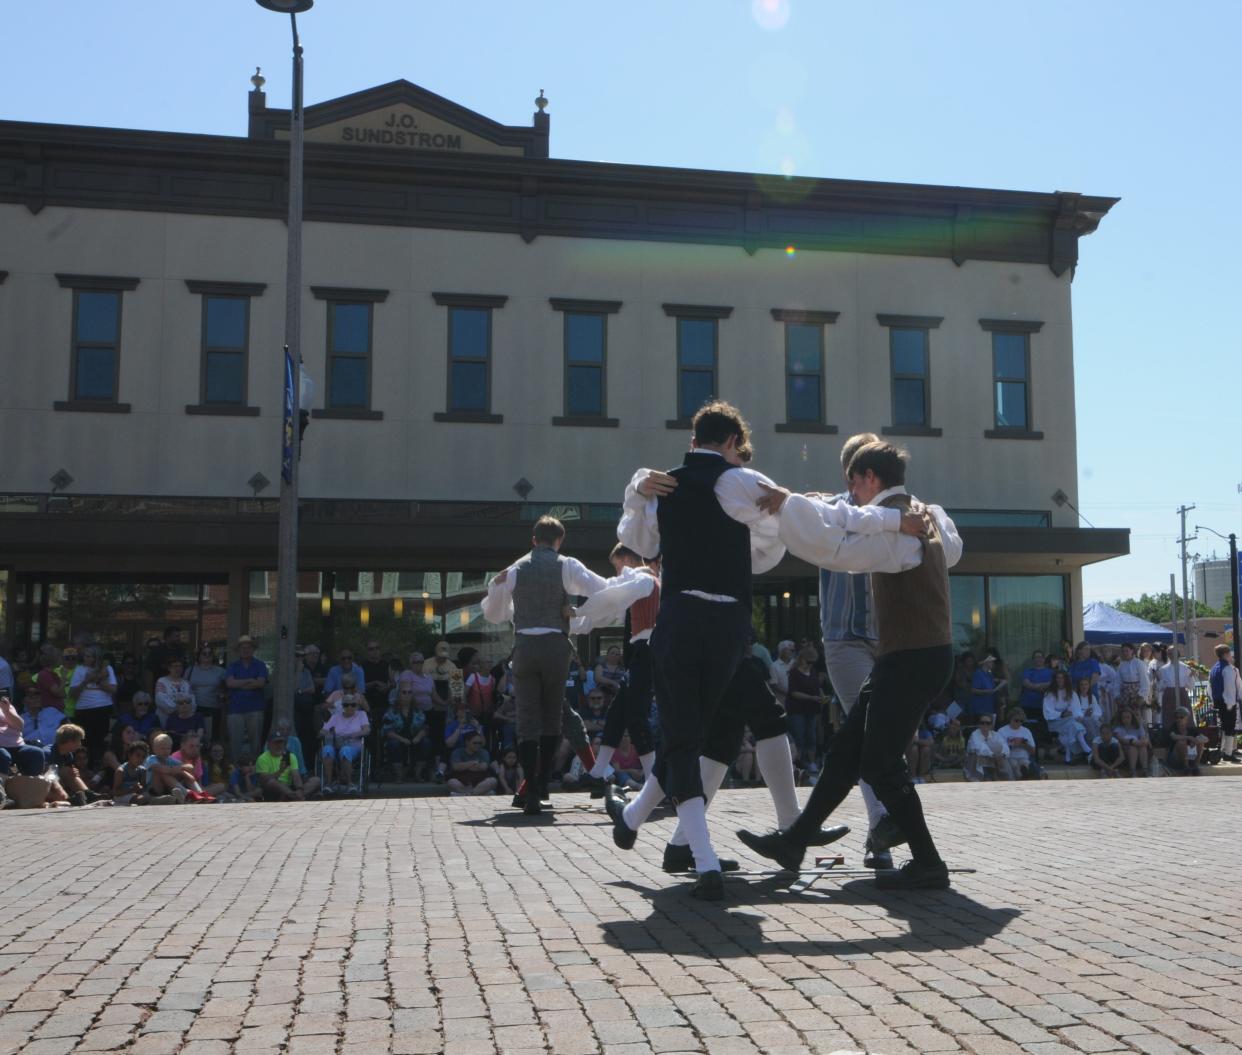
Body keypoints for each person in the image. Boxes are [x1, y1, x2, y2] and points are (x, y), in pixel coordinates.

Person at [738, 439, 966, 890]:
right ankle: (796, 840)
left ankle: (928, 862)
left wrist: (792, 510)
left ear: (868, 479)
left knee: (879, 763)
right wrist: (801, 501)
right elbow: (849, 515)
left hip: (912, 659)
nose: (850, 491)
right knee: (847, 751)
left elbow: (838, 551)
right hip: (908, 657)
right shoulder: (924, 514)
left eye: (853, 483)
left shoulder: (898, 532)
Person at [481, 515, 608, 817]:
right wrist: (578, 613)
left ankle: (532, 792)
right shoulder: (567, 565)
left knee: (527, 719)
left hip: (524, 646)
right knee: (554, 717)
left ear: (533, 540)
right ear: (560, 540)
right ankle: (540, 785)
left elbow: (494, 612)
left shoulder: (515, 569)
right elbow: (601, 590)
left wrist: (504, 597)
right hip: (555, 647)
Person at [574, 544, 660, 784]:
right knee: (617, 715)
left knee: (635, 718)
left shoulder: (643, 581)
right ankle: (598, 772)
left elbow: (609, 599)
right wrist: (577, 617)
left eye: (618, 564)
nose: (618, 571)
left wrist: (577, 612)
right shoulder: (641, 584)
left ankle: (654, 782)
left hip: (647, 653)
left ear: (630, 560)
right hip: (641, 656)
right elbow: (608, 604)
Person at [67, 645, 117, 766]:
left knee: (100, 741)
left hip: (102, 708)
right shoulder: (79, 670)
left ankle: (99, 768)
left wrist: (97, 680)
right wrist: (85, 681)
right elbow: (72, 693)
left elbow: (113, 689)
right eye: (85, 656)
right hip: (84, 709)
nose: (86, 658)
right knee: (85, 741)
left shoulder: (107, 669)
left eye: (89, 656)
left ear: (96, 658)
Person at [225, 635, 268, 763]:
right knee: (235, 742)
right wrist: (250, 681)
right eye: (243, 648)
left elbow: (260, 683)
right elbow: (229, 684)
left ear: (253, 649)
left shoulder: (260, 665)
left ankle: (255, 770)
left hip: (255, 708)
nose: (246, 650)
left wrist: (239, 684)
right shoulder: (233, 666)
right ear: (239, 650)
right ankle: (235, 770)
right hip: (235, 709)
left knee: (255, 742)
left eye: (248, 647)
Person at [785, 645, 824, 776]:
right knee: (799, 736)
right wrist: (811, 698)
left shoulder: (813, 672)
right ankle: (798, 763)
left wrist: (821, 696)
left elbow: (817, 687)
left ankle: (811, 763)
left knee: (811, 736)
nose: (811, 665)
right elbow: (794, 693)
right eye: (809, 662)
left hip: (812, 710)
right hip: (797, 709)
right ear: (802, 659)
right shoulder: (794, 672)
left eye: (813, 662)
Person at [321, 693, 370, 794]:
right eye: (346, 705)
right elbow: (322, 731)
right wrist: (332, 734)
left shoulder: (361, 715)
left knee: (345, 750)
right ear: (342, 706)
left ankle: (349, 784)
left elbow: (367, 730)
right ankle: (328, 783)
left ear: (356, 705)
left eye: (353, 705)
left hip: (353, 745)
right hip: (337, 744)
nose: (350, 707)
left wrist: (353, 735)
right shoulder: (335, 716)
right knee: (327, 749)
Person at [383, 686, 431, 781]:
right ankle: (399, 774)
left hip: (414, 739)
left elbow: (424, 728)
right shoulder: (391, 711)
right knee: (393, 744)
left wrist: (418, 737)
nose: (407, 695)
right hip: (397, 738)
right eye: (404, 692)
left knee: (426, 742)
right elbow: (388, 731)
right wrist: (402, 739)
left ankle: (418, 773)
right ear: (399, 695)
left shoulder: (418, 710)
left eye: (409, 692)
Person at [1043, 669, 1091, 763]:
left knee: (1071, 726)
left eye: (1062, 678)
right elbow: (1048, 712)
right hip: (1055, 722)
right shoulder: (1049, 694)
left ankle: (1068, 757)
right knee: (1072, 724)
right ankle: (1085, 748)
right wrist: (1061, 714)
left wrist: (1072, 715)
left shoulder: (1072, 693)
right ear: (1055, 679)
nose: (1060, 680)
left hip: (1069, 721)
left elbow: (1076, 709)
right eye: (1058, 678)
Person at [255, 731, 319, 800]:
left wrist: (299, 789)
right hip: (273, 789)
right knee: (272, 782)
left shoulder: (290, 756)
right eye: (276, 743)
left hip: (289, 786)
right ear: (269, 744)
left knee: (316, 780)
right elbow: (264, 780)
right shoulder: (262, 758)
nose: (278, 745)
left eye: (281, 742)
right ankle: (296, 797)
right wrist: (280, 771)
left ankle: (296, 795)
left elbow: (296, 775)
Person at [0, 693, 51, 780]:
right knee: (4, 756)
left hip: (16, 745)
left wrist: (6, 711)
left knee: (36, 753)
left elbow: (20, 726)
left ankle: (30, 787)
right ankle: (3, 789)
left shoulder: (5, 705)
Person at [188, 644, 226, 745]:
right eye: (204, 653)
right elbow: (184, 687)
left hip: (213, 708)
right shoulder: (190, 670)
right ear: (199, 656)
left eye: (210, 654)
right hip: (194, 708)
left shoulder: (221, 671)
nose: (207, 656)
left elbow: (226, 689)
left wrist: (223, 694)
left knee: (212, 737)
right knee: (194, 736)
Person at [1209, 643, 1241, 763]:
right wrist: (1230, 703)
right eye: (1229, 653)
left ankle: (1223, 750)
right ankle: (1228, 753)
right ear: (1226, 654)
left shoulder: (1214, 668)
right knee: (1229, 727)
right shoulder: (1228, 668)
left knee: (1223, 727)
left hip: (1218, 701)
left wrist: (1214, 700)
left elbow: (1210, 687)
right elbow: (1230, 688)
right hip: (1227, 701)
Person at [964, 714, 1009, 781]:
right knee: (984, 753)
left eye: (988, 723)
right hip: (975, 762)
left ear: (991, 725)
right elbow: (980, 748)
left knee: (1000, 750)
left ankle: (1005, 778)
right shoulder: (974, 734)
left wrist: (1002, 754)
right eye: (982, 723)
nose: (985, 725)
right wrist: (994, 755)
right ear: (979, 724)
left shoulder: (996, 734)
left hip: (994, 760)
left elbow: (1005, 746)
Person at [1165, 707, 1207, 776]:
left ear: (1186, 718)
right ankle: (1186, 768)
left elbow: (1205, 739)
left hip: (1189, 757)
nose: (1178, 719)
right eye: (1177, 717)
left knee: (1200, 743)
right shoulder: (1172, 728)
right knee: (1181, 742)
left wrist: (1196, 740)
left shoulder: (1191, 729)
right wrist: (1189, 738)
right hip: (1175, 759)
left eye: (1181, 717)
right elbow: (1174, 737)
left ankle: (1195, 767)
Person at [999, 708, 1039, 779]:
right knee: (1016, 767)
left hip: (1024, 758)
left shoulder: (1026, 731)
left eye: (1021, 721)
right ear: (1010, 719)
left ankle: (1023, 776)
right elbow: (999, 750)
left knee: (1024, 766)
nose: (1019, 723)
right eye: (1016, 720)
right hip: (1009, 758)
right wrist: (1012, 745)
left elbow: (1033, 751)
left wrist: (1025, 744)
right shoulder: (1002, 731)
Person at [154, 657, 193, 728]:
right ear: (169, 668)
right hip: (165, 719)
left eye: (180, 666)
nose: (178, 668)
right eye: (175, 666)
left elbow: (192, 701)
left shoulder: (187, 683)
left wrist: (185, 712)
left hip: (184, 720)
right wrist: (180, 710)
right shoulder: (162, 681)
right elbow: (161, 700)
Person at [1113, 705, 1151, 777]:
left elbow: (1144, 738)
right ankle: (1132, 771)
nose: (1126, 719)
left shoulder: (1138, 727)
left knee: (1143, 747)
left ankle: (1145, 770)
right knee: (1132, 748)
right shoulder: (1118, 728)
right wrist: (1132, 742)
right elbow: (1121, 739)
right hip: (1125, 752)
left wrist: (1142, 742)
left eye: (1128, 717)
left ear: (1132, 717)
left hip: (1139, 749)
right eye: (1124, 717)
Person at [1018, 651, 1053, 716]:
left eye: (1040, 657)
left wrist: (1035, 686)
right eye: (1036, 657)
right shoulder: (1027, 671)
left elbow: (1053, 685)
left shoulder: (1051, 672)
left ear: (1044, 659)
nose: (1038, 659)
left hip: (1045, 706)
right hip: (1027, 705)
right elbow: (1027, 684)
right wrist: (1044, 686)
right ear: (1033, 659)